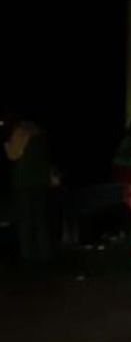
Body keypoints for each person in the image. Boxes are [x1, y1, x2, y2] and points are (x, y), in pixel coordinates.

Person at [3, 109, 58, 264]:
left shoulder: (21, 132)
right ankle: (45, 254)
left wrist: (6, 144)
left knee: (26, 220)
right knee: (41, 219)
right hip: (40, 182)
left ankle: (28, 255)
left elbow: (13, 154)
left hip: (24, 182)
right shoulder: (41, 134)